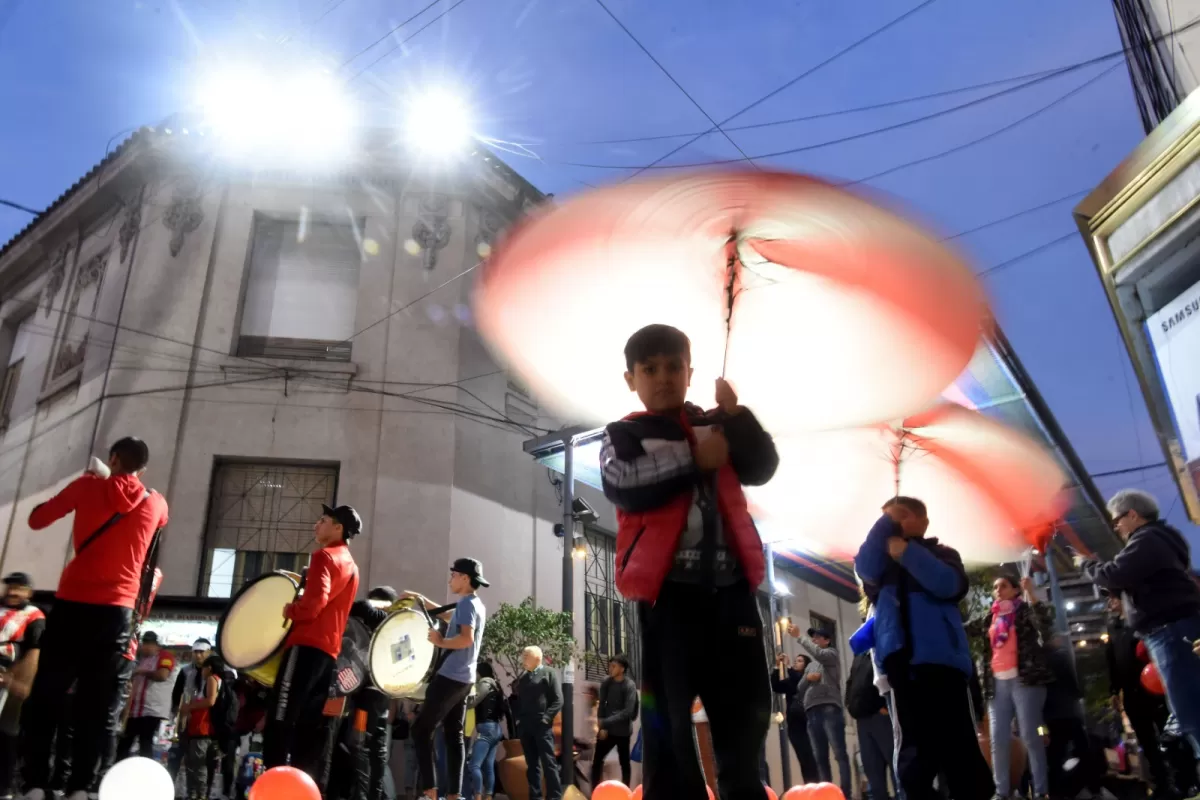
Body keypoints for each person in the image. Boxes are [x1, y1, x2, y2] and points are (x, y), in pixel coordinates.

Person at [599, 324, 778, 800]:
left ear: (690, 371)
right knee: (669, 727)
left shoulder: (718, 423)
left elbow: (762, 467)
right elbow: (625, 484)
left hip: (733, 594)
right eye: (650, 369)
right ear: (630, 378)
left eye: (674, 366)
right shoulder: (624, 433)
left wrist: (738, 416)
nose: (664, 377)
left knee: (745, 718)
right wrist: (697, 461)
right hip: (668, 601)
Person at [18, 437, 169, 800]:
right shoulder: (155, 501)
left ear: (113, 458)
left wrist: (95, 479)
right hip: (117, 613)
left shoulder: (86, 486)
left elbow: (37, 519)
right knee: (97, 705)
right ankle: (81, 788)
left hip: (73, 605)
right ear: (143, 469)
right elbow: (156, 515)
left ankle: (36, 782)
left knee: (47, 696)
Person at [853, 496, 994, 800]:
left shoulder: (943, 554)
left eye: (902, 516)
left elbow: (948, 585)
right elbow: (864, 567)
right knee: (913, 748)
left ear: (923, 522)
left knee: (958, 742)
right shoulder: (880, 564)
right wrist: (885, 528)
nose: (895, 523)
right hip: (901, 662)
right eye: (888, 519)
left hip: (943, 661)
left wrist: (908, 553)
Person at [1080, 488, 1200, 762]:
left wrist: (1086, 565)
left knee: (1188, 708)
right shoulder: (1159, 540)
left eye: (1117, 519)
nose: (1117, 526)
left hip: (1170, 630)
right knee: (1187, 705)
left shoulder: (1147, 539)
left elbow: (1114, 574)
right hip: (1172, 629)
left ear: (1133, 514)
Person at [263, 504, 361, 784]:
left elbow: (314, 605)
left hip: (305, 644)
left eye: (323, 520)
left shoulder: (323, 556)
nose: (316, 525)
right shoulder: (351, 566)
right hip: (327, 653)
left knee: (280, 718)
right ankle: (304, 787)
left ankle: (273, 785)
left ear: (338, 528)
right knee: (309, 727)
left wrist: (291, 610)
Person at [405, 557, 489, 800]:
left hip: (450, 676)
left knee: (421, 730)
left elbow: (466, 638)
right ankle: (453, 795)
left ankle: (430, 791)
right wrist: (420, 600)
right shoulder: (475, 604)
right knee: (454, 735)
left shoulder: (467, 605)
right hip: (465, 679)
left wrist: (440, 641)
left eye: (453, 575)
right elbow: (450, 618)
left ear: (465, 578)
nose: (450, 578)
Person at [972, 574, 1053, 800]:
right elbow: (965, 629)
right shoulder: (991, 617)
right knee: (997, 738)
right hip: (997, 682)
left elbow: (1045, 627)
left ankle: (1040, 790)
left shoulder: (1025, 611)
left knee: (1031, 735)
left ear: (1016, 590)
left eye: (1003, 586)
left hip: (1024, 679)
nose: (998, 590)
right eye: (995, 587)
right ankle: (1002, 791)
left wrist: (1033, 595)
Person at [1105, 596, 1178, 798]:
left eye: (1114, 597)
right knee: (1147, 742)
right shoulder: (1113, 627)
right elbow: (1111, 659)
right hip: (1131, 693)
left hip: (1153, 688)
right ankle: (1161, 784)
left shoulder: (1141, 620)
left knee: (1169, 734)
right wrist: (1113, 690)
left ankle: (1182, 779)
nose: (1111, 603)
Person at [344, 585, 401, 800]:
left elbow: (358, 606)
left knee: (360, 747)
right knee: (377, 751)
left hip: (367, 697)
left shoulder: (376, 617)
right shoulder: (396, 627)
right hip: (382, 696)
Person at [783, 624, 851, 798]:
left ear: (827, 640)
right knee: (820, 757)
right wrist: (807, 677)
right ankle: (825, 793)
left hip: (829, 708)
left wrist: (800, 637)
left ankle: (844, 793)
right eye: (812, 637)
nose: (814, 639)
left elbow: (819, 654)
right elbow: (800, 687)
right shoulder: (811, 666)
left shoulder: (831, 654)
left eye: (817, 637)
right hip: (811, 711)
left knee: (839, 753)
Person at [0, 572, 45, 799]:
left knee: (6, 734)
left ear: (29, 592)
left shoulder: (33, 616)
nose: (13, 592)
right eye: (10, 587)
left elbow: (33, 653)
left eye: (19, 588)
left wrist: (16, 682)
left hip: (9, 676)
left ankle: (4, 788)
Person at [118, 631, 177, 760]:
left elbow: (162, 675)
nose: (144, 647)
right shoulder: (142, 659)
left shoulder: (165, 656)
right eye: (144, 644)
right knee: (124, 744)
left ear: (155, 645)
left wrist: (142, 672)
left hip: (153, 710)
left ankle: (147, 773)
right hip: (136, 711)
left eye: (148, 644)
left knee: (146, 743)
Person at [845, 649, 894, 800]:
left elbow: (890, 674)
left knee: (895, 764)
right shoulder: (859, 656)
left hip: (881, 716)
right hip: (862, 718)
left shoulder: (882, 648)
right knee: (872, 768)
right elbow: (851, 681)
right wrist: (849, 703)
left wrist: (885, 704)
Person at [515, 646, 563, 800]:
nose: (523, 658)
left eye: (526, 655)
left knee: (549, 763)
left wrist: (546, 718)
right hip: (526, 727)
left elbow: (558, 700)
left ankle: (554, 796)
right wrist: (519, 721)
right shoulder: (523, 678)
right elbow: (519, 701)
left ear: (536, 657)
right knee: (532, 765)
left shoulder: (548, 673)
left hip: (542, 726)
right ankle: (535, 797)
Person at [465, 662, 514, 800]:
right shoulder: (496, 686)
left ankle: (478, 795)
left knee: (474, 765)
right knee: (488, 766)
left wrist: (464, 700)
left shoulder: (484, 683)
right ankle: (488, 796)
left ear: (480, 672)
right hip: (495, 728)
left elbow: (473, 702)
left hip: (486, 729)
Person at [179, 654, 224, 800]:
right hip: (201, 730)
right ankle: (194, 793)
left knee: (198, 765)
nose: (201, 671)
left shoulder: (212, 679)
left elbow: (210, 701)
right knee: (195, 763)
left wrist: (190, 706)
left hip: (202, 729)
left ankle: (200, 794)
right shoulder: (218, 681)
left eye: (203, 668)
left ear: (209, 668)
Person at [590, 655, 638, 787]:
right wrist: (602, 726)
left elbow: (628, 711)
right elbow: (602, 705)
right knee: (597, 761)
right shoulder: (606, 682)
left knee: (624, 763)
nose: (610, 668)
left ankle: (626, 791)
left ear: (622, 669)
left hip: (622, 732)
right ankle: (595, 791)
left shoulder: (629, 685)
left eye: (613, 666)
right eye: (610, 665)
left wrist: (605, 722)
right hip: (607, 730)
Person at [771, 653, 818, 784]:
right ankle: (809, 784)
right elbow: (776, 686)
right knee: (802, 757)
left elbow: (799, 681)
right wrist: (776, 666)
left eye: (800, 661)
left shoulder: (807, 678)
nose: (796, 663)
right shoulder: (791, 680)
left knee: (810, 758)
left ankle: (816, 785)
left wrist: (788, 666)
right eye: (795, 661)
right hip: (794, 725)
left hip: (807, 723)